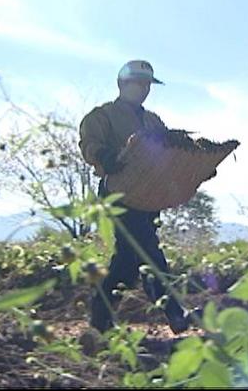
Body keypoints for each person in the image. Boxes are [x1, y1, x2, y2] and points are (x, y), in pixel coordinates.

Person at [78, 60, 198, 334]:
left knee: (128, 263)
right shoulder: (102, 116)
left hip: (148, 196)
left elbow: (169, 153)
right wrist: (107, 157)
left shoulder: (153, 120)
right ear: (123, 84)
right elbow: (90, 146)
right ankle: (174, 314)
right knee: (148, 253)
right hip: (117, 195)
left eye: (147, 84)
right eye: (138, 83)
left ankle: (100, 323)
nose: (144, 89)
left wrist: (190, 169)